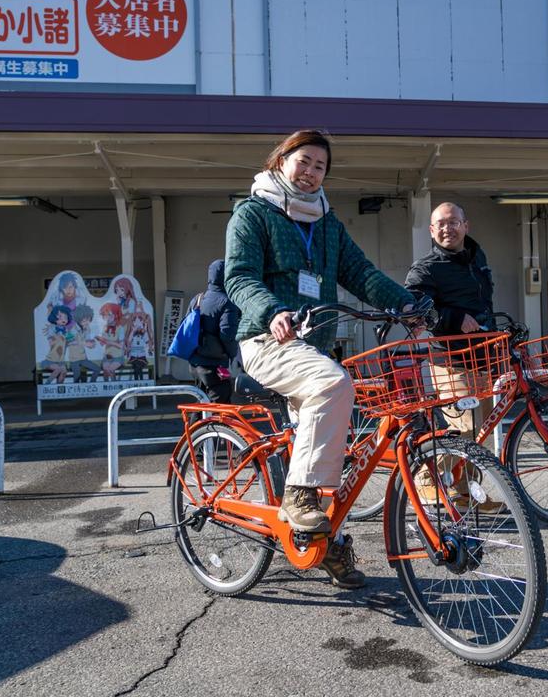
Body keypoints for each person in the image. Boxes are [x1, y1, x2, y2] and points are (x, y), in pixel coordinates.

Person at [225, 129, 415, 589]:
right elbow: (240, 277)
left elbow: (361, 273)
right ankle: (296, 495)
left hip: (313, 348)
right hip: (267, 342)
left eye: (320, 167)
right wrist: (271, 312)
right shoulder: (252, 214)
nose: (311, 173)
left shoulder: (328, 224)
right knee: (333, 385)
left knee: (336, 448)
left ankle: (325, 544)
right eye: (304, 161)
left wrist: (407, 304)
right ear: (281, 160)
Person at [404, 202, 501, 510]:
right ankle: (425, 477)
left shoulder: (477, 259)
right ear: (432, 231)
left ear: (465, 225)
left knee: (480, 432)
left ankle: (467, 493)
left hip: (481, 355)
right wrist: (452, 317)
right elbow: (414, 305)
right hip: (448, 357)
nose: (448, 228)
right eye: (441, 224)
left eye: (453, 222)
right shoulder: (427, 267)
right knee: (465, 429)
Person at [188, 259, 241, 404]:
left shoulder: (197, 299)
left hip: (195, 364)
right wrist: (232, 354)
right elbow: (227, 335)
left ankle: (194, 427)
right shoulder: (227, 302)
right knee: (219, 405)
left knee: (202, 403)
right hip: (214, 365)